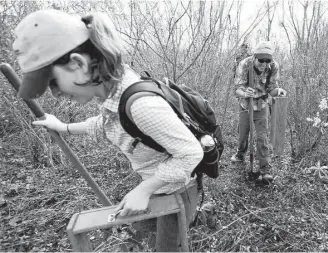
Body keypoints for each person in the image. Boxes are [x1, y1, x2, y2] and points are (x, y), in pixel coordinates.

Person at [13, 9, 203, 251]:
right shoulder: (114, 93)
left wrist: (145, 189)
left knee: (168, 246)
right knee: (145, 231)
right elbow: (106, 124)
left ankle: (195, 215)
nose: (56, 93)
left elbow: (191, 153)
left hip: (177, 189)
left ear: (78, 64)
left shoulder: (142, 105)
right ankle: (191, 219)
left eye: (52, 82)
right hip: (156, 183)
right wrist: (62, 127)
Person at [230, 41, 287, 182]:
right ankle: (240, 154)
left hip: (261, 104)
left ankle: (264, 168)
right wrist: (244, 93)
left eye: (267, 61)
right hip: (245, 104)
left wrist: (278, 91)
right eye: (261, 60)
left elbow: (272, 88)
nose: (264, 64)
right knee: (243, 133)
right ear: (254, 57)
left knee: (262, 137)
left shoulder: (273, 67)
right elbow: (236, 89)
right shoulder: (244, 64)